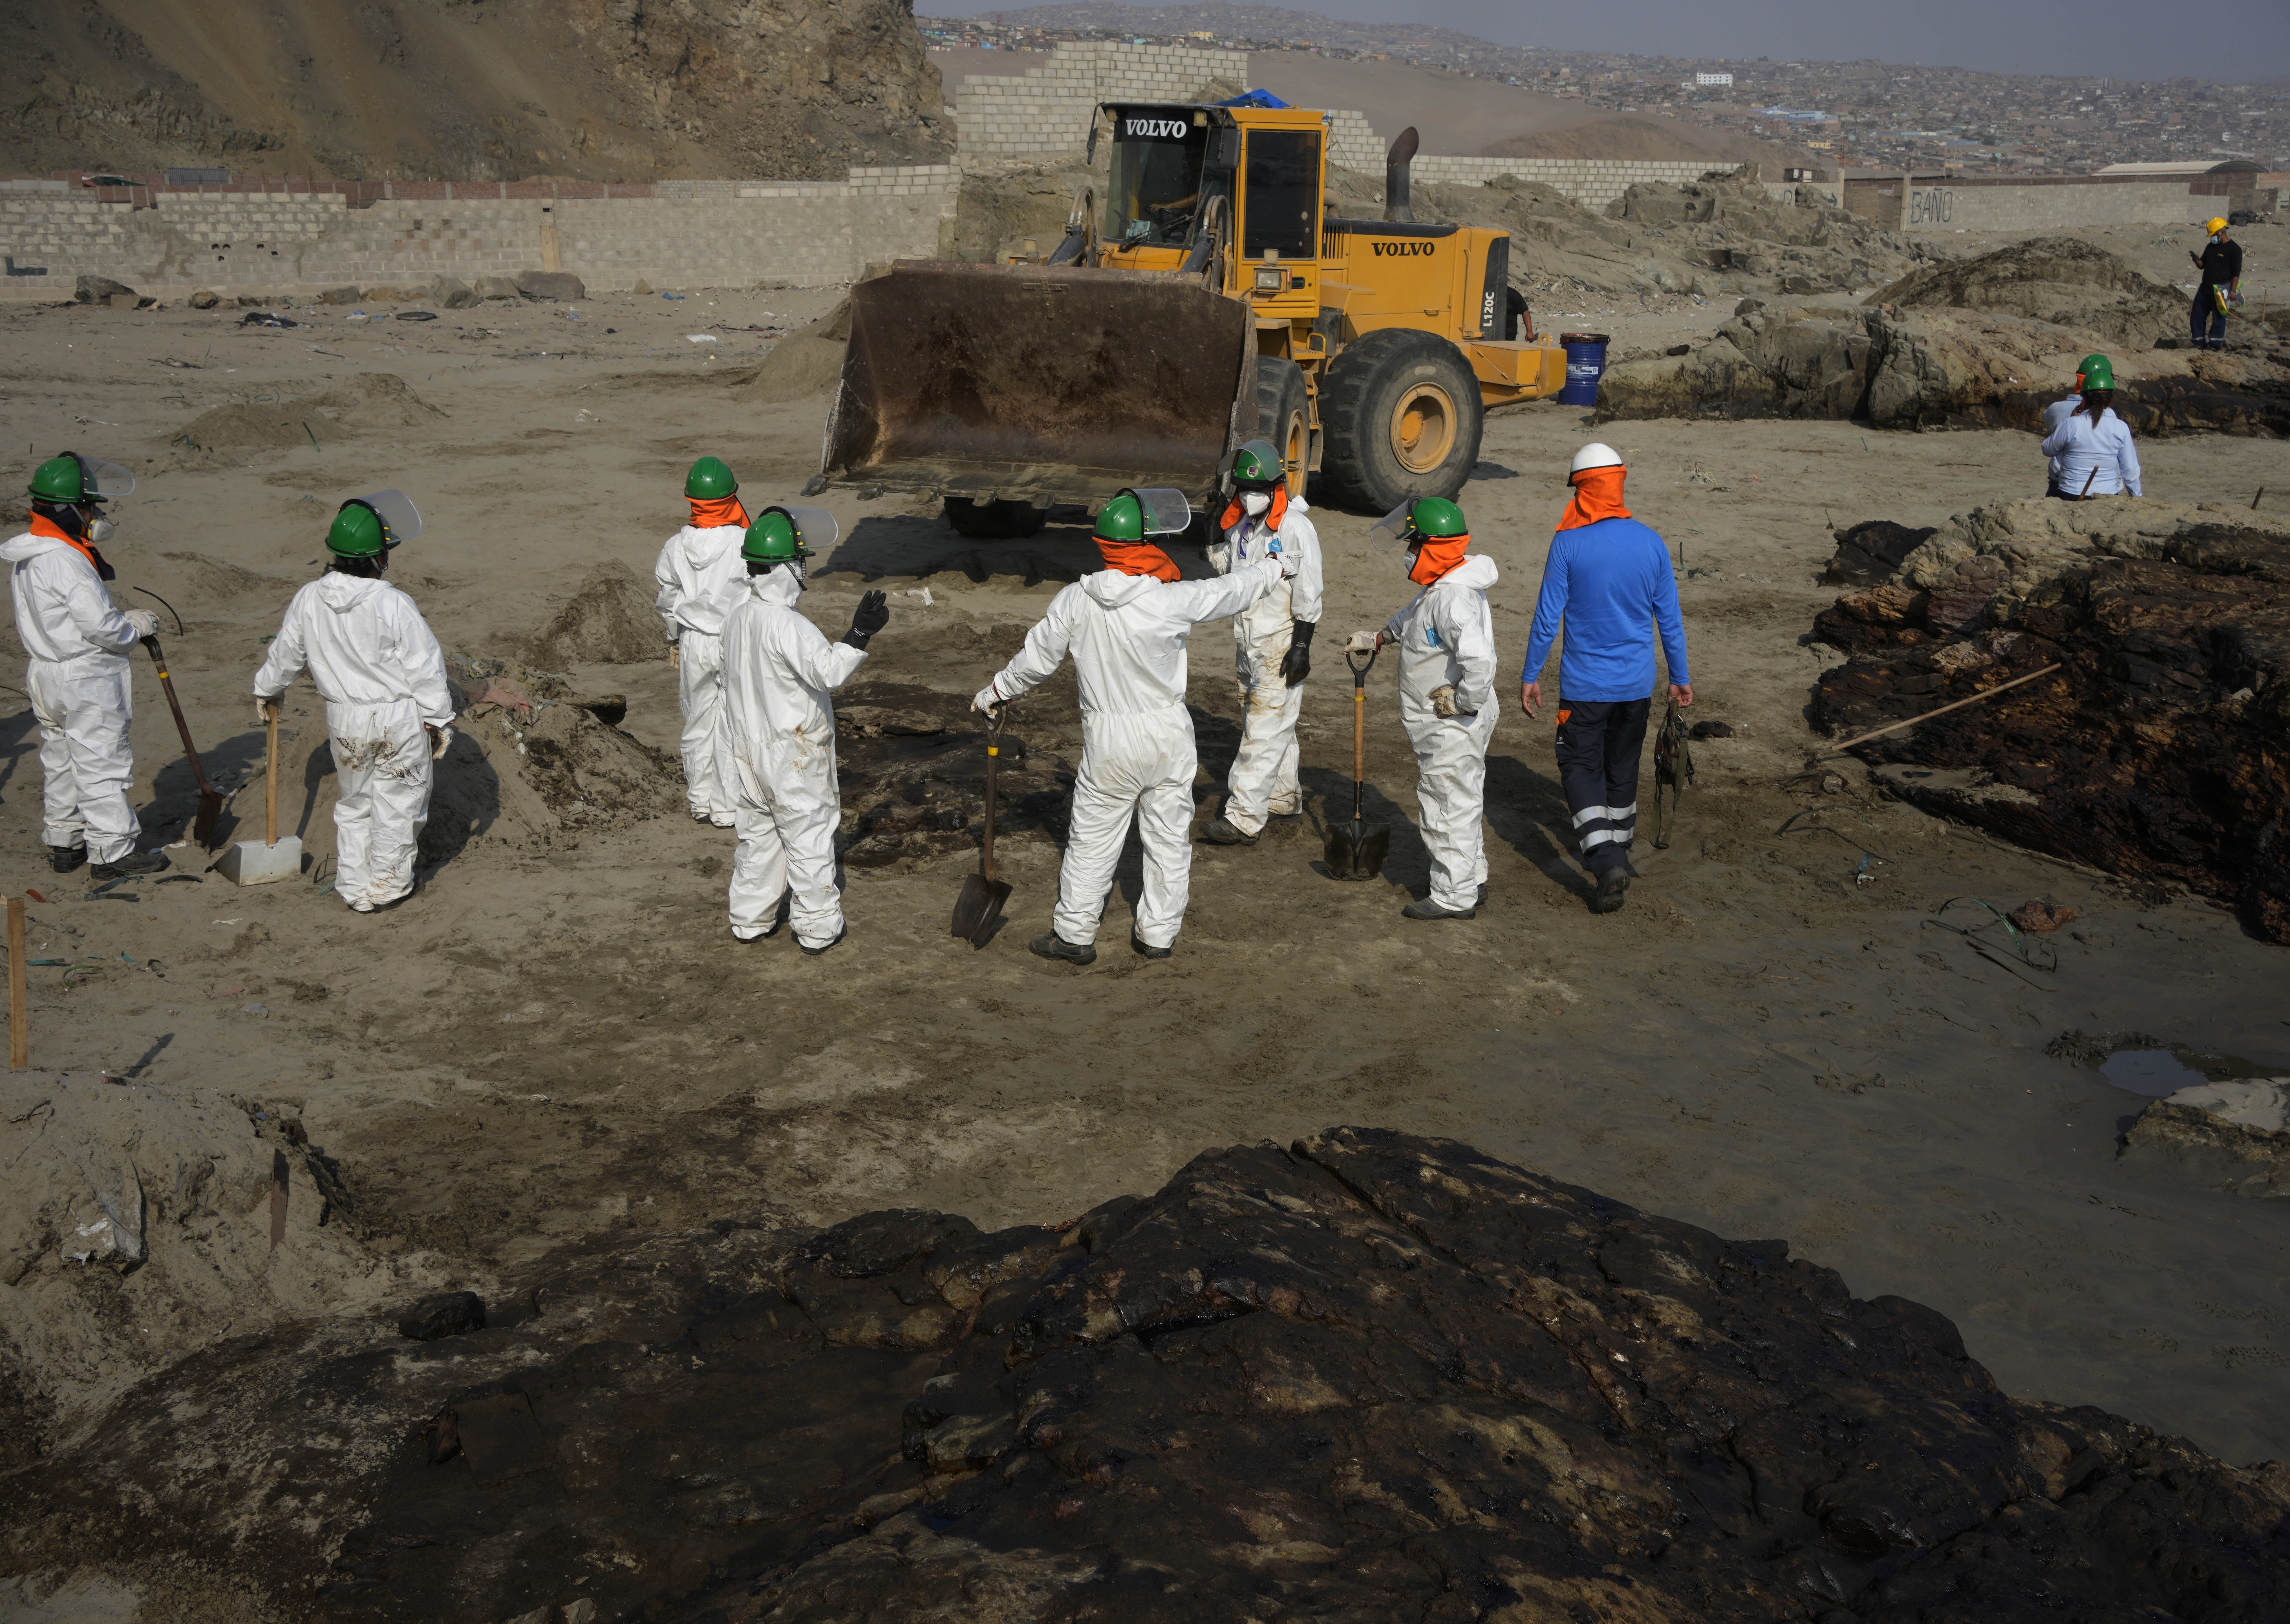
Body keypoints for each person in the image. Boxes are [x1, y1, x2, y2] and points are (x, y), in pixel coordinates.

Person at [974, 488, 1291, 964]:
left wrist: (994, 694)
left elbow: (1033, 664)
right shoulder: (1169, 600)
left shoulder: (1074, 603)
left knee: (1092, 841)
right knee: (1168, 840)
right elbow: (1231, 591)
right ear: (1145, 544)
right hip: (1169, 735)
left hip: (1110, 742)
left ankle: (1074, 937)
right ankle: (1157, 937)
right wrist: (1273, 567)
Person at [253, 491, 452, 913]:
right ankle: (388, 886)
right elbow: (424, 664)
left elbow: (286, 653)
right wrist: (438, 719)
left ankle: (354, 885)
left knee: (355, 803)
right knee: (399, 803)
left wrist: (268, 689)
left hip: (344, 720)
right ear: (377, 558)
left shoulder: (309, 598)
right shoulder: (392, 603)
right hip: (397, 717)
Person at [1518, 444, 1691, 915]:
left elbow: (1546, 618)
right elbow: (1669, 619)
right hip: (1637, 687)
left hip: (1584, 688)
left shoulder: (1568, 544)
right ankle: (1621, 852)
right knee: (1621, 767)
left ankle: (1605, 860)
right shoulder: (1651, 542)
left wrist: (1531, 674)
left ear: (1583, 490)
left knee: (1577, 766)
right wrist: (1680, 676)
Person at [719, 505, 887, 955]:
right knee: (809, 838)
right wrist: (859, 635)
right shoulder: (789, 626)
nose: (803, 569)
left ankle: (749, 920)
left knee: (758, 838)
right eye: (800, 561)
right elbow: (829, 674)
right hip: (791, 753)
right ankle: (816, 929)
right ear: (784, 569)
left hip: (746, 749)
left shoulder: (737, 617)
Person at [3, 453, 163, 877]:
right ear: (70, 511)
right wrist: (135, 626)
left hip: (44, 672)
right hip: (84, 676)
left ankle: (65, 840)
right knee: (101, 763)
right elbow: (101, 628)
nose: (97, 516)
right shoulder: (66, 560)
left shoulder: (30, 554)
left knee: (60, 758)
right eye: (91, 508)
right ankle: (113, 853)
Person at [1371, 497, 1499, 922]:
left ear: (1433, 548)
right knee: (1462, 798)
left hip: (1451, 723)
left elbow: (1480, 663)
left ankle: (1453, 896)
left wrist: (1462, 702)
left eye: (1413, 545)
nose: (1407, 554)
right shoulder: (1442, 589)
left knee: (1445, 803)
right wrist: (1381, 637)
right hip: (1452, 722)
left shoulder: (1453, 599)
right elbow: (1415, 618)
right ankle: (1472, 877)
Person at [1202, 438, 1322, 846]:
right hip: (1247, 641)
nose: (1248, 496)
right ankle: (1282, 797)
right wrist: (1213, 527)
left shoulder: (1295, 529)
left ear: (1276, 487)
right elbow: (1225, 570)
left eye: (1256, 489)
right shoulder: (1242, 526)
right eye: (1241, 488)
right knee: (1273, 725)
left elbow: (1309, 591)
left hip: (1280, 643)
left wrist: (1302, 645)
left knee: (1261, 732)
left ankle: (1243, 818)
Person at [654, 455, 751, 827]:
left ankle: (699, 801)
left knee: (696, 721)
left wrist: (674, 639)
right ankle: (727, 808)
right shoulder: (744, 541)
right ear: (731, 496)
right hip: (732, 641)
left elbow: (668, 598)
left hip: (693, 641)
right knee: (730, 723)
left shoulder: (675, 546)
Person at [2039, 363, 2141, 500]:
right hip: (2108, 495)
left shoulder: (2071, 424)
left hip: (2070, 494)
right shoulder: (2121, 427)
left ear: (2083, 397)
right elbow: (2131, 470)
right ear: (2110, 398)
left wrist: (2070, 422)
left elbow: (2047, 449)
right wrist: (2137, 497)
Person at [2042, 355, 2108, 498]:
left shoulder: (2055, 409)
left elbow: (2048, 448)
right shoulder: (2113, 417)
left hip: (2061, 481)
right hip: (2101, 486)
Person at [2188, 218, 2242, 352]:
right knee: (2197, 314)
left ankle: (2215, 344)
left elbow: (2236, 273)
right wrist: (2196, 261)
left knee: (2219, 316)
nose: (2212, 238)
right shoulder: (2211, 247)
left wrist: (2233, 292)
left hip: (2222, 288)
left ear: (2222, 232)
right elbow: (2202, 265)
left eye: (2213, 235)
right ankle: (2199, 342)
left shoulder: (2234, 249)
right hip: (2205, 287)